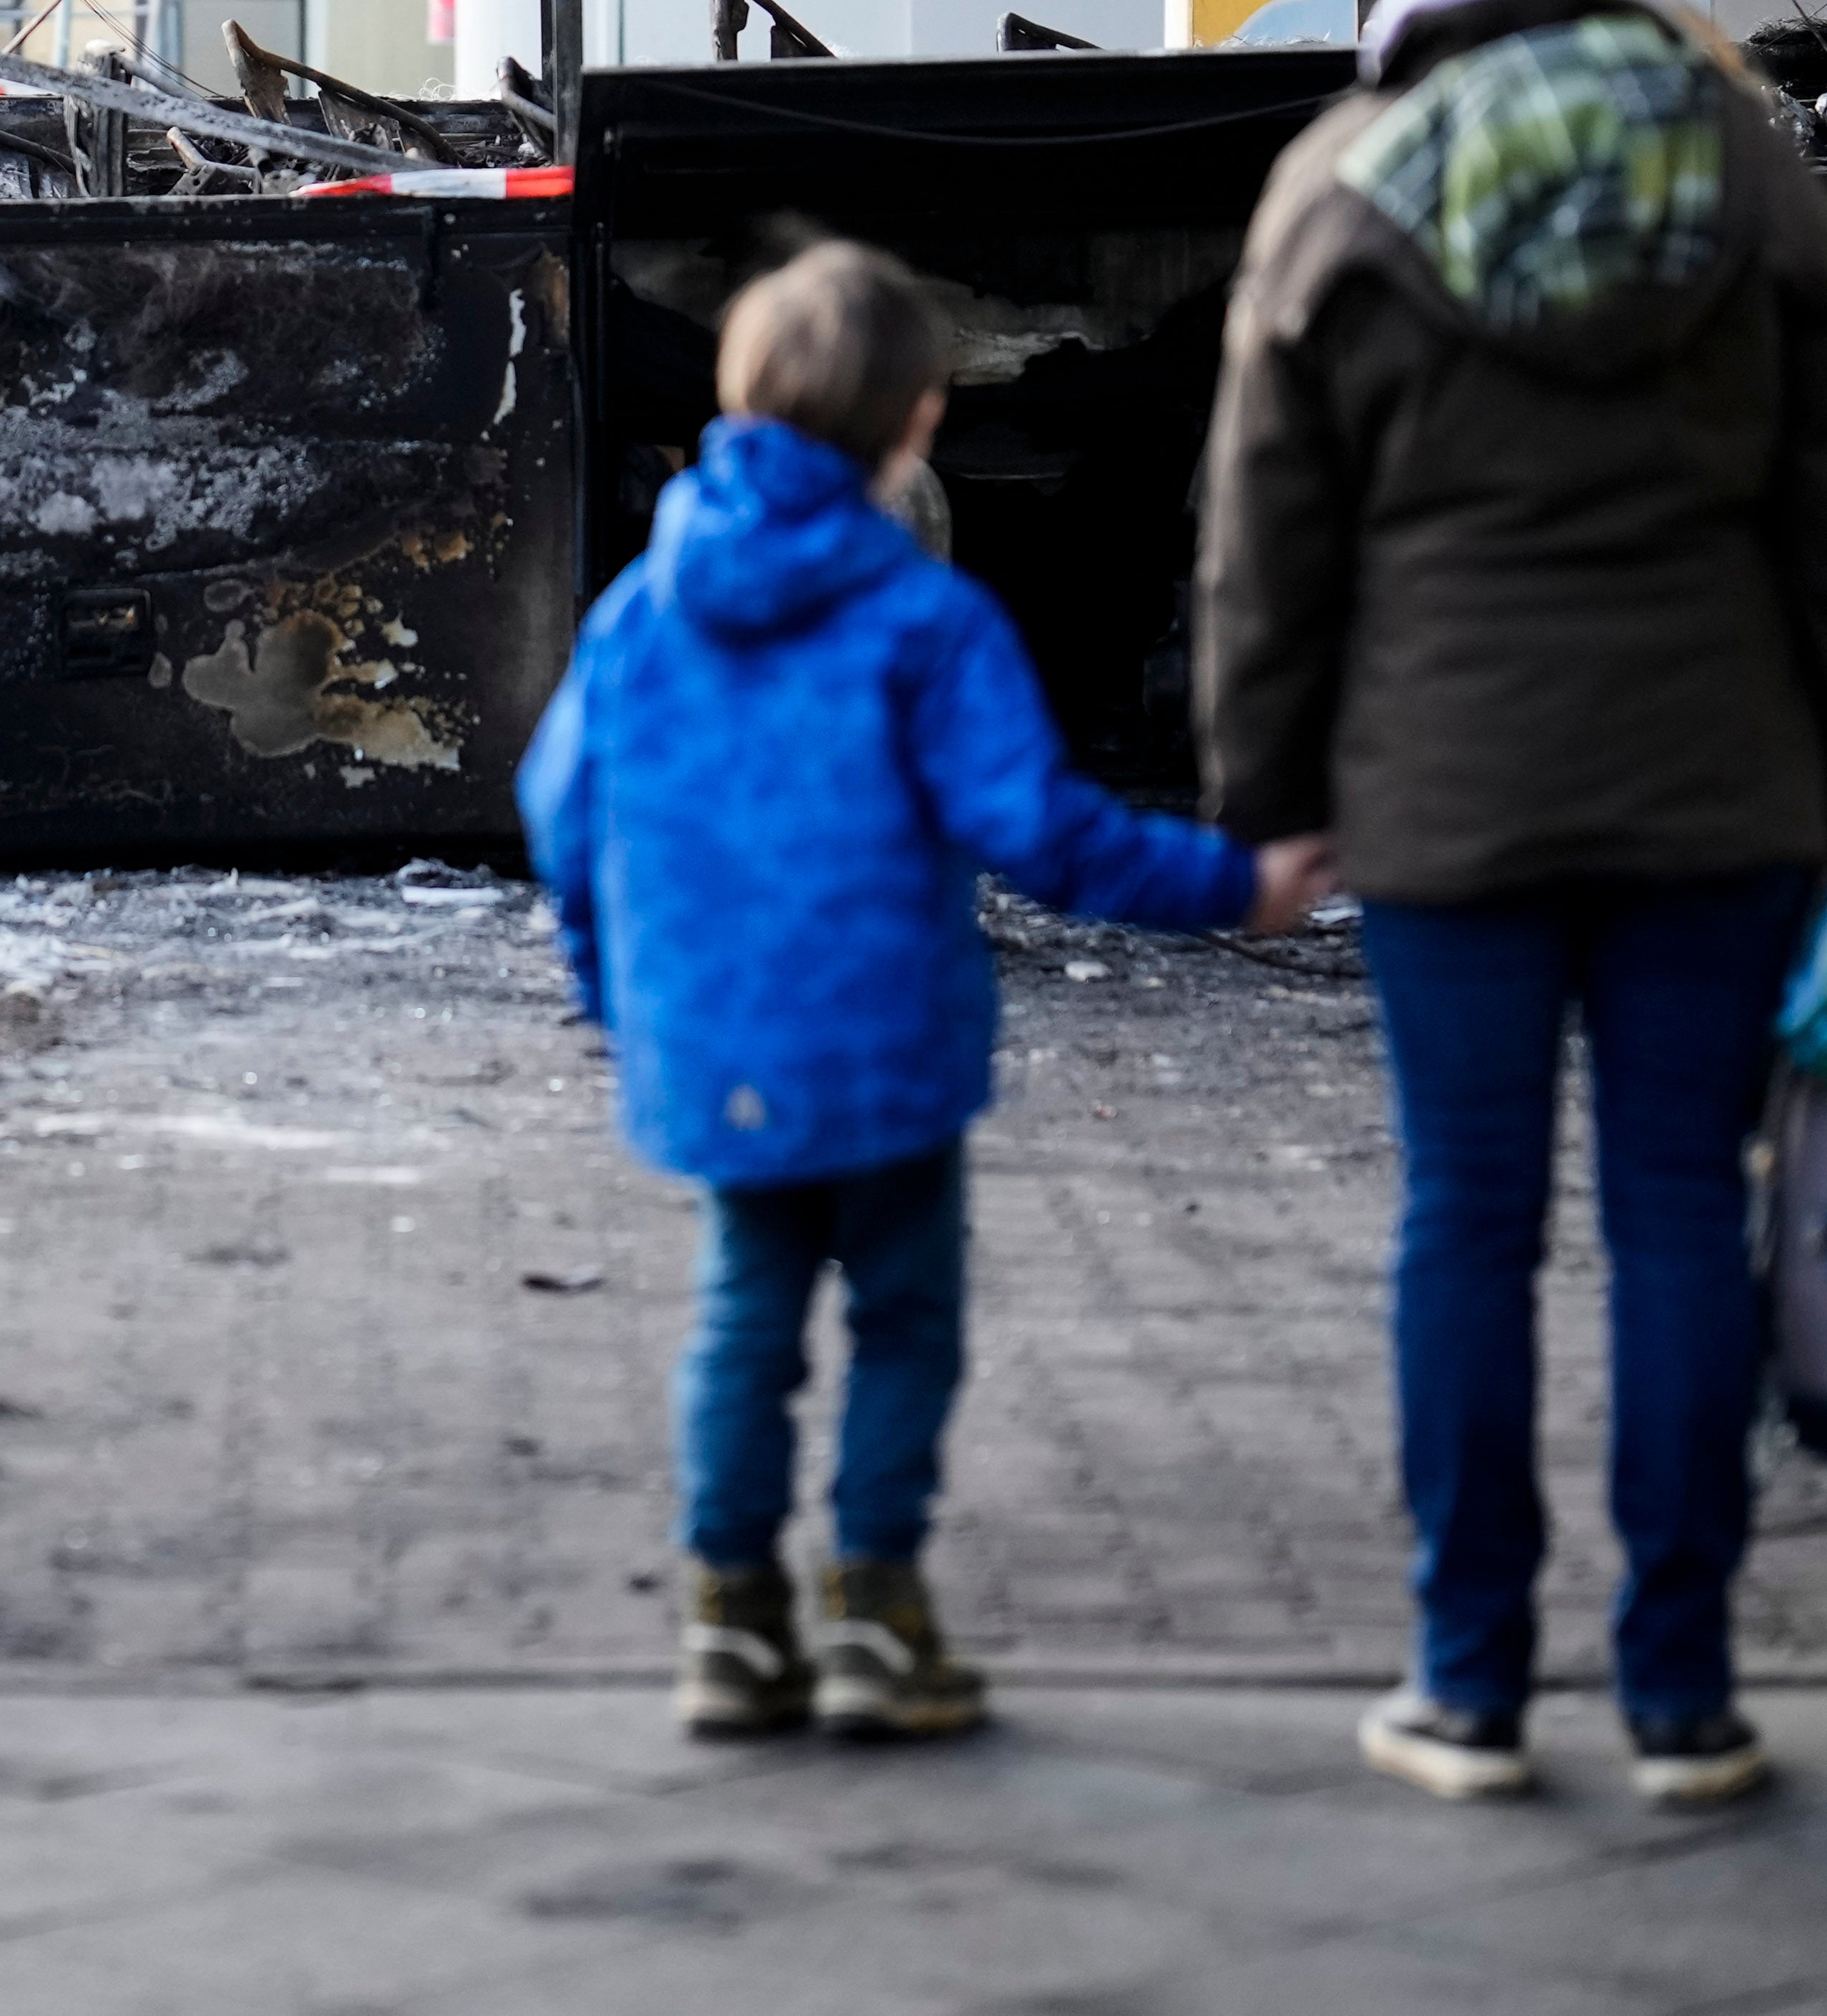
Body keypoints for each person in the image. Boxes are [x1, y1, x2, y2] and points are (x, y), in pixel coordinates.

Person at [1196, 0, 1827, 1813]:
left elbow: (1266, 541)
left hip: (1445, 805)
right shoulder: (1759, 182)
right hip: (1726, 801)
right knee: (1687, 1221)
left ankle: (1468, 1679)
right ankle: (1684, 1694)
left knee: (1466, 1226)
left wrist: (1270, 803)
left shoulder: (1339, 190)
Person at [524, 240, 1335, 1744]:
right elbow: (1040, 832)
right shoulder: (924, 622)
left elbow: (561, 812)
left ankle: (726, 1626)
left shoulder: (643, 608)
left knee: (741, 1324)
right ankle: (873, 1622)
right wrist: (1235, 888)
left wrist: (613, 987)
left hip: (713, 1042)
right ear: (915, 422)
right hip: (888, 1045)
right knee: (901, 1322)